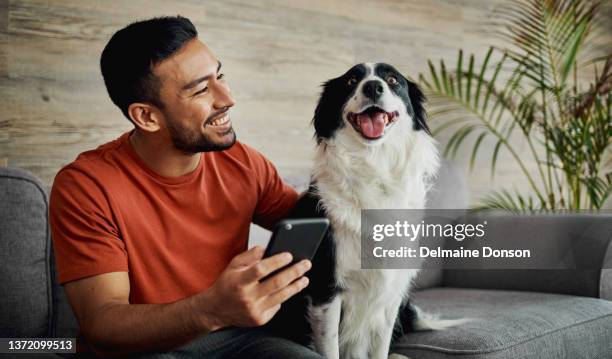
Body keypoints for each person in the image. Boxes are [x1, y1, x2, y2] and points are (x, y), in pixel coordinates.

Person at [49, 16, 322, 359]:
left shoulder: (244, 162)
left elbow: (324, 226)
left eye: (219, 76)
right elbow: (102, 323)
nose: (228, 99)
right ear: (147, 117)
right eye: (201, 89)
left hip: (241, 341)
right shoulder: (86, 185)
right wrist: (210, 309)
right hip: (144, 350)